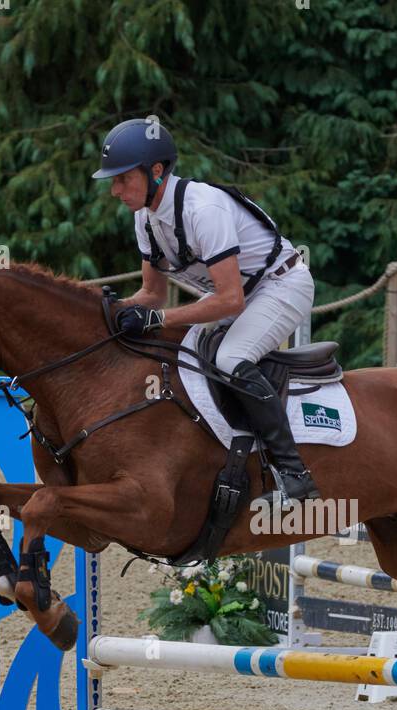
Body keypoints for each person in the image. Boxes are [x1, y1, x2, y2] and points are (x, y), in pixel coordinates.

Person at [93, 117, 320, 506]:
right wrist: (110, 310)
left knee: (232, 358)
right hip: (238, 294)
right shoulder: (145, 219)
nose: (115, 190)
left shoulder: (204, 208)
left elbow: (229, 300)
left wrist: (158, 318)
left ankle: (294, 474)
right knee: (171, 348)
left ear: (156, 171)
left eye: (122, 179)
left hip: (282, 285)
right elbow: (152, 293)